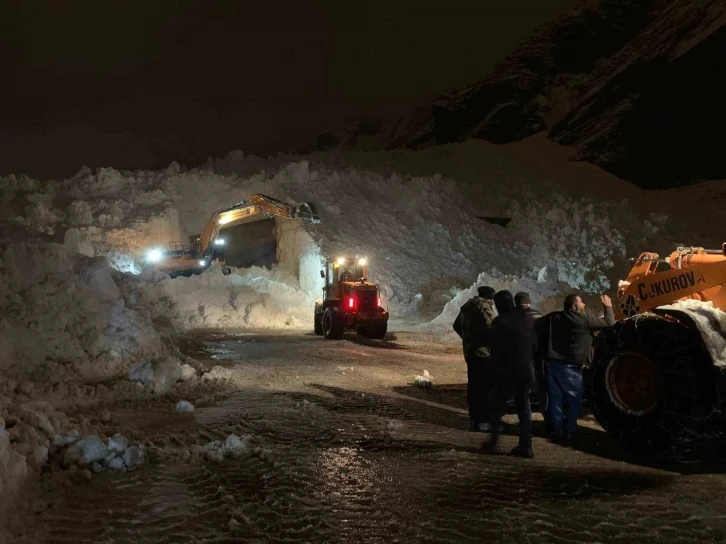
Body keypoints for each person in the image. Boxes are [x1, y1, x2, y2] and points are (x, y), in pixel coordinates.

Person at [536, 293, 615, 444]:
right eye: (581, 303)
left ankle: (557, 431)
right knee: (574, 401)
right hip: (571, 368)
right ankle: (570, 431)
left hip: (552, 366)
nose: (584, 305)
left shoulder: (554, 317)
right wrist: (608, 306)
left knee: (555, 400)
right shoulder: (583, 319)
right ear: (574, 306)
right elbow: (609, 322)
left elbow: (539, 325)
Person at [487, 290, 537, 457]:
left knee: (497, 407)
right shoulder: (527, 318)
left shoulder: (499, 322)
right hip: (525, 370)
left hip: (504, 372)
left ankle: (493, 441)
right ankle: (526, 445)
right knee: (524, 408)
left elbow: (494, 349)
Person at [453, 285, 497, 431]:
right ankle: (484, 421)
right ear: (490, 297)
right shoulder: (484, 307)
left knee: (473, 386)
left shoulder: (467, 306)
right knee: (484, 387)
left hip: (469, 352)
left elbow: (456, 325)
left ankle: (474, 419)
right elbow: (491, 329)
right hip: (483, 352)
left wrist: (467, 339)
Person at [515, 291, 549, 433]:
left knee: (521, 392)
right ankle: (548, 420)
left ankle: (525, 424)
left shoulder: (511, 315)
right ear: (528, 302)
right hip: (536, 357)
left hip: (518, 358)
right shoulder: (537, 315)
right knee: (542, 389)